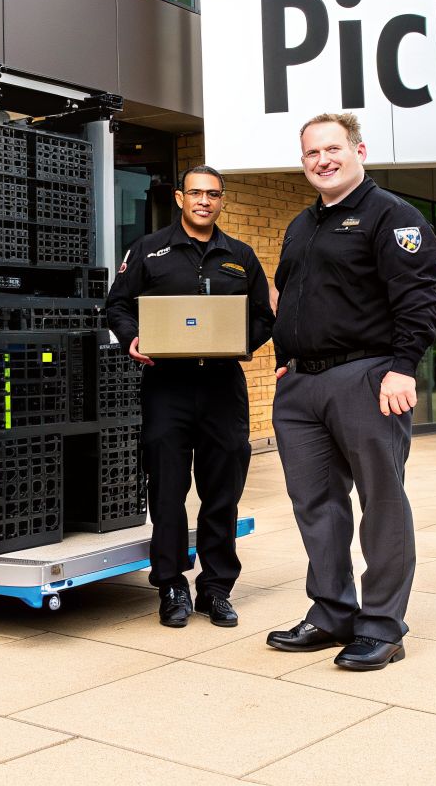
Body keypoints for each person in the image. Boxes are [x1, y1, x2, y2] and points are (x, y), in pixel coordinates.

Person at [264, 113, 436, 671]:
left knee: (381, 501)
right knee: (315, 504)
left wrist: (403, 368)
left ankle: (383, 626)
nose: (323, 160)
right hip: (301, 385)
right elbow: (289, 296)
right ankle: (332, 612)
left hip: (366, 377)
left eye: (333, 149)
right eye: (312, 153)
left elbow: (418, 298)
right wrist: (286, 360)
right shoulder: (301, 224)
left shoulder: (393, 216)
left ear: (359, 149)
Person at [104, 165, 274, 628]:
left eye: (213, 194)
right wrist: (131, 337)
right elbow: (117, 304)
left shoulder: (240, 256)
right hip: (168, 387)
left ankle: (216, 589)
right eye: (196, 193)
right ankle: (172, 585)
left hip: (222, 387)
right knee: (167, 491)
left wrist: (240, 343)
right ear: (180, 197)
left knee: (222, 493)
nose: (204, 201)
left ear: (222, 201)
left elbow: (264, 315)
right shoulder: (148, 250)